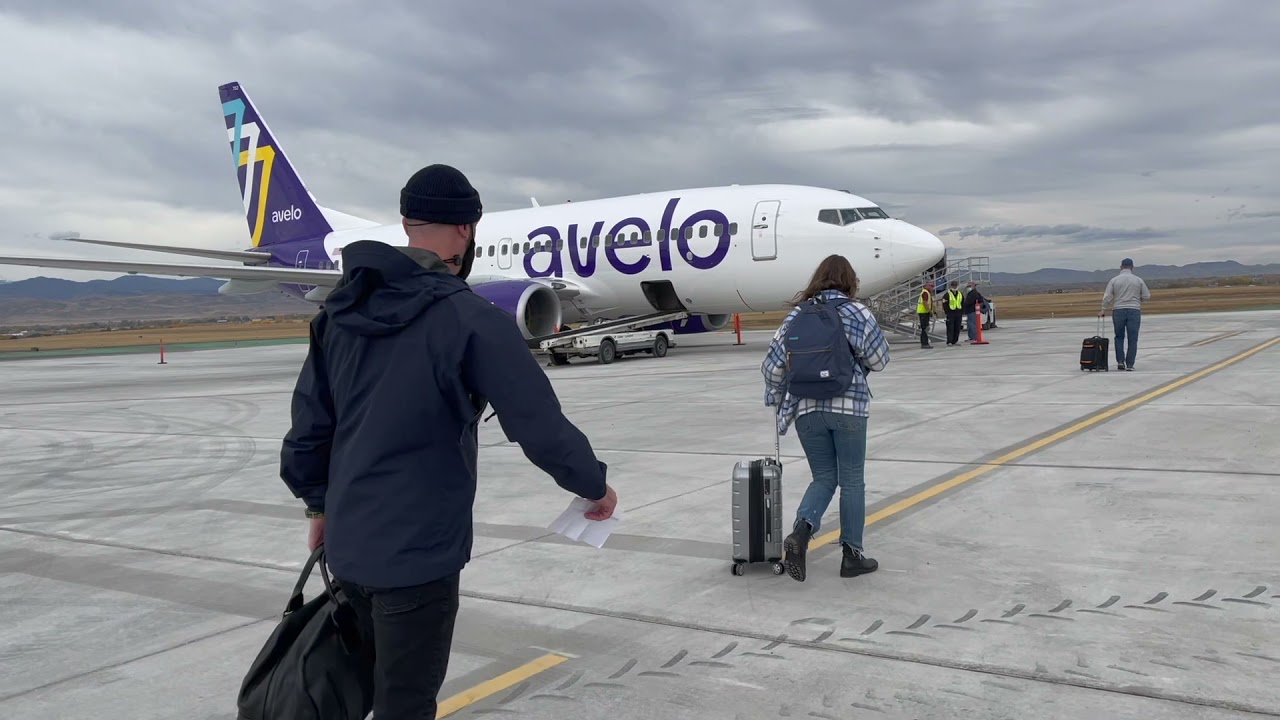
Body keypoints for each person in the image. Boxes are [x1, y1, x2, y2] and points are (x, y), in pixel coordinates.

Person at [278, 163, 617, 719]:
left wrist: (318, 504)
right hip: (419, 555)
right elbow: (537, 425)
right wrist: (594, 486)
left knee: (356, 694)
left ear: (409, 222)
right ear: (467, 229)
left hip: (350, 546)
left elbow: (311, 426)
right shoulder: (473, 320)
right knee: (406, 703)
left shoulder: (337, 315)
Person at [761, 254, 891, 582]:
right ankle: (851, 555)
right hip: (848, 406)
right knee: (851, 480)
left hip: (806, 410)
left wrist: (777, 401)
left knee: (822, 477)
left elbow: (770, 368)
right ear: (850, 282)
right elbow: (879, 359)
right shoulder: (855, 311)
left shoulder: (797, 316)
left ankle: (801, 533)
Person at [1099, 257, 1151, 370]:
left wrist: (1103, 309)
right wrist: (1138, 300)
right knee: (1133, 338)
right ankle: (1130, 364)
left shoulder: (1114, 280)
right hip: (1134, 310)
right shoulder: (1138, 280)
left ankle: (1120, 361)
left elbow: (1107, 296)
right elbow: (1147, 296)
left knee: (1119, 337)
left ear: (1121, 267)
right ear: (1132, 267)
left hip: (1118, 310)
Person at [944, 280, 965, 346]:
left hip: (958, 313)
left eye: (955, 285)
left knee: (957, 327)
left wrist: (962, 311)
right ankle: (949, 341)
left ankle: (955, 341)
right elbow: (944, 304)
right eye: (953, 285)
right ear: (951, 286)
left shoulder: (960, 293)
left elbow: (963, 302)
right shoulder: (947, 294)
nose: (955, 286)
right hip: (951, 313)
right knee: (950, 327)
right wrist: (947, 312)